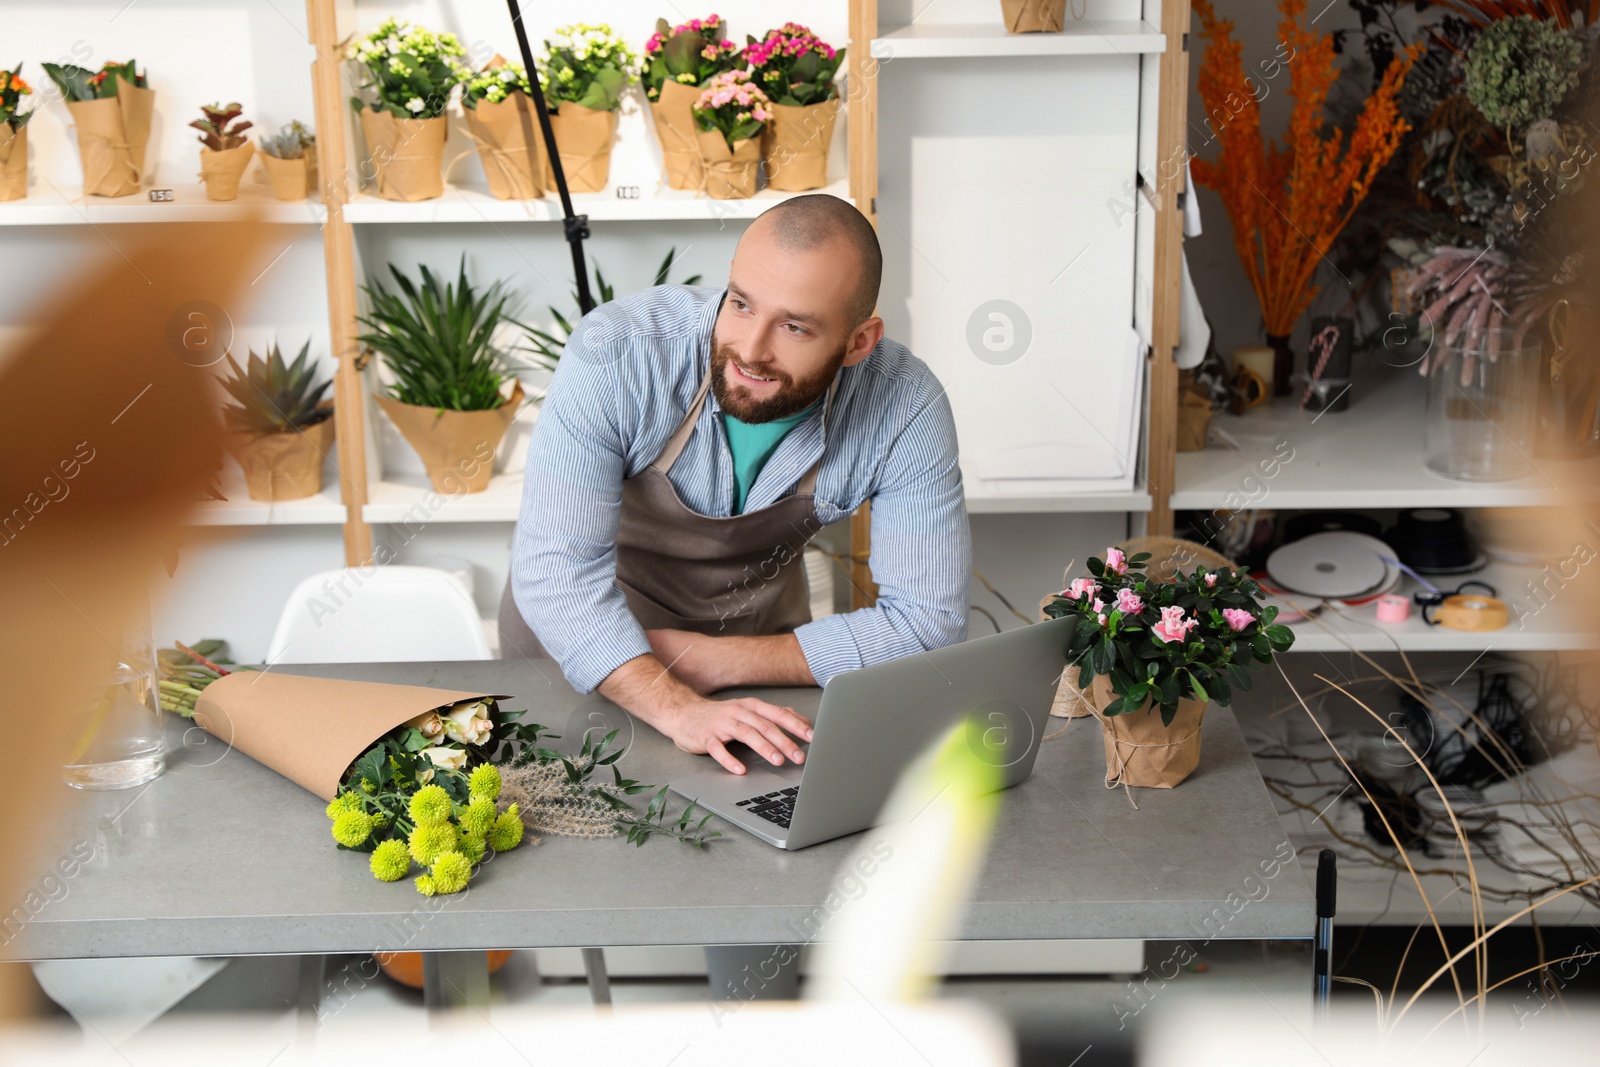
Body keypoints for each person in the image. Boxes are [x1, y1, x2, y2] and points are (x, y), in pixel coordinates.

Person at [502, 193, 970, 776]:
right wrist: (673, 701)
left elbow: (928, 626)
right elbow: (557, 579)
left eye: (795, 327)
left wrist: (714, 661)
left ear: (858, 343)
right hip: (581, 646)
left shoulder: (905, 407)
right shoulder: (618, 353)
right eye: (742, 304)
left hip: (755, 653)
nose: (749, 350)